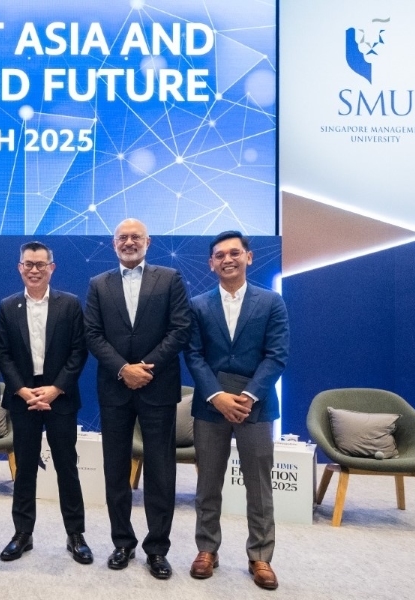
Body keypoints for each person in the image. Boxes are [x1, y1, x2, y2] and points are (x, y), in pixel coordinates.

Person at [83, 218, 191, 580]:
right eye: (122, 237)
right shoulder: (99, 284)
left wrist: (146, 367)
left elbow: (180, 328)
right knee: (116, 469)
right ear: (114, 244)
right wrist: (123, 369)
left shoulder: (170, 278)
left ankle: (157, 549)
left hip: (157, 387)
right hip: (114, 388)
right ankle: (122, 542)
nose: (129, 242)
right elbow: (93, 334)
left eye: (135, 237)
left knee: (161, 470)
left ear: (149, 242)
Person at [184, 230, 288, 591]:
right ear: (211, 263)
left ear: (249, 257)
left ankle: (260, 556)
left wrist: (248, 396)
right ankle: (207, 549)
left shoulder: (272, 302)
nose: (227, 259)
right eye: (219, 255)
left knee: (259, 487)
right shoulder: (197, 305)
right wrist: (217, 395)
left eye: (234, 253)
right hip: (211, 407)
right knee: (207, 483)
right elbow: (193, 355)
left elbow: (277, 355)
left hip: (254, 409)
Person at [0, 241, 92, 564]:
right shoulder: (8, 306)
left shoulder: (70, 304)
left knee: (67, 466)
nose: (34, 270)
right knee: (24, 468)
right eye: (28, 264)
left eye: (41, 264)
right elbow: (3, 354)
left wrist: (56, 389)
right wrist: (22, 390)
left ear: (52, 267)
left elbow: (79, 351)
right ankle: (23, 533)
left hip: (59, 397)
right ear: (19, 268)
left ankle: (75, 534)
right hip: (24, 398)